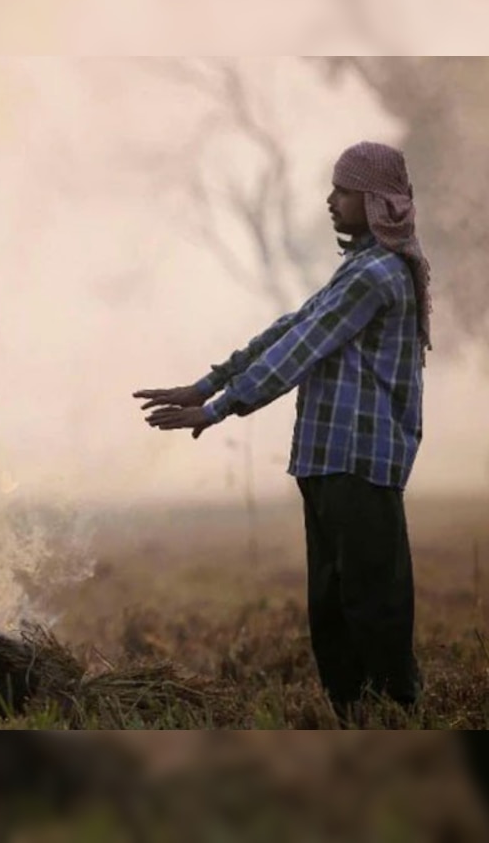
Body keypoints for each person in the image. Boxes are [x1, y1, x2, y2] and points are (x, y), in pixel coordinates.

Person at [135, 141, 429, 722]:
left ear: (373, 199)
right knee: (332, 603)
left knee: (372, 602)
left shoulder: (377, 275)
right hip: (327, 460)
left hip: (359, 460)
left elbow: (300, 348)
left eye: (342, 190)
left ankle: (397, 714)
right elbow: (293, 324)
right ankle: (353, 716)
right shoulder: (358, 268)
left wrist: (221, 408)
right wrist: (208, 383)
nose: (330, 200)